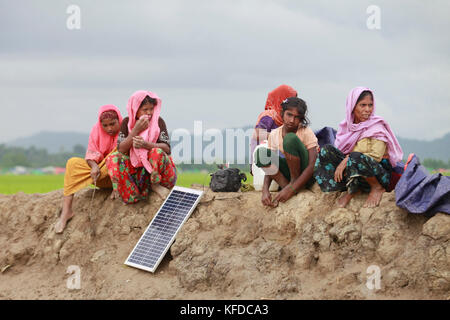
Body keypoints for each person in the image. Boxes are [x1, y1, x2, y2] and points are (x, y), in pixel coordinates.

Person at [314, 87, 403, 208]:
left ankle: (376, 188)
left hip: (377, 174)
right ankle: (353, 188)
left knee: (355, 157)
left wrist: (347, 159)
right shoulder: (346, 126)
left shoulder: (377, 127)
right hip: (354, 172)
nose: (367, 109)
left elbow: (376, 157)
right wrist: (345, 160)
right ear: (352, 106)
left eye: (370, 105)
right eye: (363, 105)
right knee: (326, 151)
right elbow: (340, 151)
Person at [55, 104, 123, 234]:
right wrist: (94, 166)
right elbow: (91, 153)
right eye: (105, 125)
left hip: (120, 176)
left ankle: (117, 188)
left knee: (116, 153)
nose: (109, 128)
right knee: (72, 163)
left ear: (119, 120)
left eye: (113, 124)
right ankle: (66, 211)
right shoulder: (96, 130)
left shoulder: (126, 129)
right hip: (100, 175)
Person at [106, 90, 176, 204]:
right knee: (113, 158)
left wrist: (146, 145)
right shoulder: (127, 122)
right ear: (135, 109)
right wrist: (135, 131)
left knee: (156, 152)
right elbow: (121, 149)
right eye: (145, 109)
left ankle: (156, 185)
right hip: (139, 176)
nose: (149, 113)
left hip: (159, 174)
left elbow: (167, 148)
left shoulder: (158, 121)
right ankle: (131, 195)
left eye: (151, 109)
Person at [254, 97, 319, 207]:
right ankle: (285, 186)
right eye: (289, 115)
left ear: (301, 118)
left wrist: (292, 188)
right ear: (282, 113)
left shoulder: (305, 132)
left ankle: (293, 186)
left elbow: (312, 165)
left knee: (290, 139)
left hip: (305, 175)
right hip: (289, 174)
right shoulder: (274, 134)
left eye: (297, 117)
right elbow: (271, 163)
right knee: (261, 154)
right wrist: (265, 190)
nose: (292, 120)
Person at [250, 85, 298, 172]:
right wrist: (280, 137)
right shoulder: (269, 116)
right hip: (263, 161)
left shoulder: (289, 119)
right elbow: (257, 134)